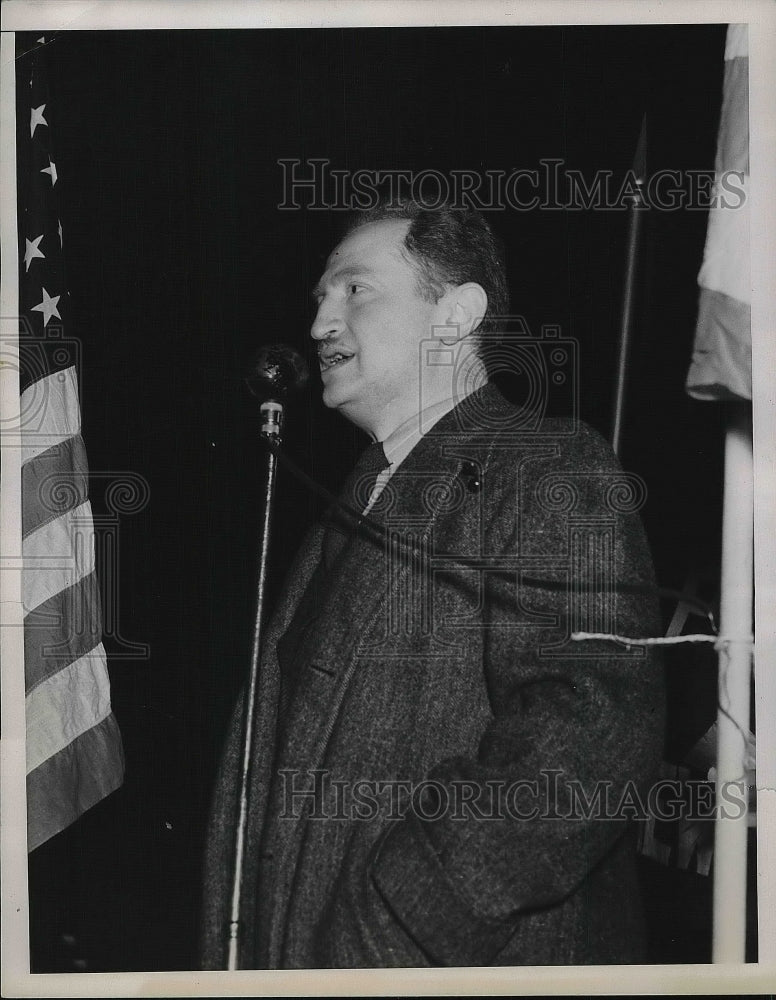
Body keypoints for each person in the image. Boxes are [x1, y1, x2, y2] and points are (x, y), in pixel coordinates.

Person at [200, 199, 665, 969]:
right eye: (320, 296)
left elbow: (593, 729)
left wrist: (403, 915)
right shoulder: (359, 498)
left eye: (354, 290)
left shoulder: (547, 467)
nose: (319, 322)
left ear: (456, 314)